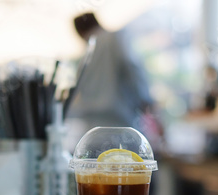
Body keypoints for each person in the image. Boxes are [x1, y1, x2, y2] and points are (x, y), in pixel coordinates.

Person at [65, 12, 159, 150]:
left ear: (80, 32)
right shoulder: (116, 38)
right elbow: (133, 68)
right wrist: (146, 100)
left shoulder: (86, 55)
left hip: (92, 132)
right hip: (122, 125)